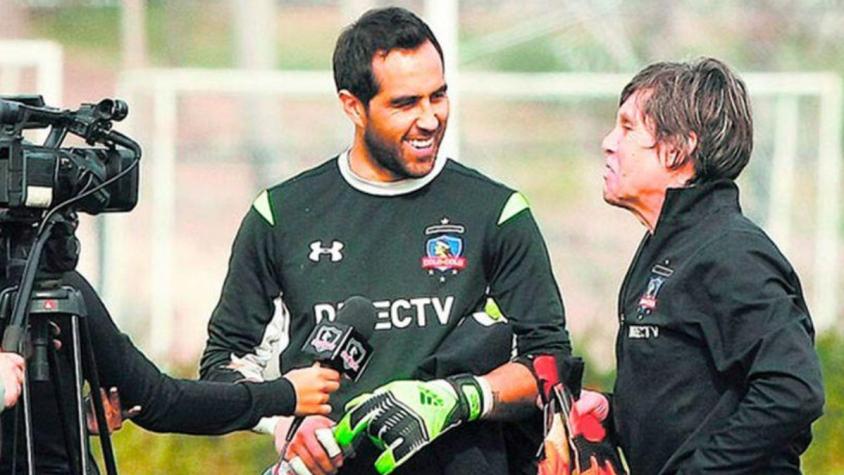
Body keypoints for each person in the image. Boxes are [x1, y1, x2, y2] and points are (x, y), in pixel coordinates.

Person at [199, 6, 571, 475]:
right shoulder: (281, 215)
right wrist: (285, 423)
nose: (431, 118)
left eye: (438, 96)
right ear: (353, 105)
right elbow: (224, 364)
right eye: (405, 103)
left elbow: (548, 365)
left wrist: (461, 398)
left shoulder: (496, 212)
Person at [578, 57, 825, 474]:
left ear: (679, 148)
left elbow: (793, 389)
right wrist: (614, 414)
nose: (608, 142)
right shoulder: (666, 245)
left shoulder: (733, 254)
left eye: (626, 127)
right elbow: (692, 403)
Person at [0, 270, 341, 474]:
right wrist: (284, 395)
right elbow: (161, 403)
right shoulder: (46, 281)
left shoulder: (45, 283)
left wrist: (68, 421)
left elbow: (150, 400)